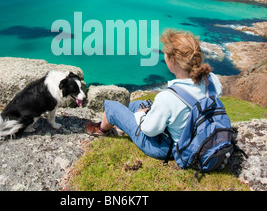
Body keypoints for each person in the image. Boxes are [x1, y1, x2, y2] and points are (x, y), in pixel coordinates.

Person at [85, 29, 222, 160]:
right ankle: (121, 126)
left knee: (111, 107)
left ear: (172, 61)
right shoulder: (212, 80)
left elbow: (149, 130)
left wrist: (141, 115)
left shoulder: (168, 97)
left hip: (165, 147)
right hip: (198, 136)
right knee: (136, 104)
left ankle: (101, 130)